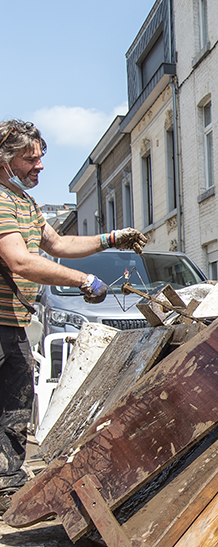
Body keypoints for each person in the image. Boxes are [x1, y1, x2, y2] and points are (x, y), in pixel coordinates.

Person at [0, 120, 147, 514]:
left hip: (11, 322)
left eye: (40, 158)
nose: (40, 166)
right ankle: (4, 481)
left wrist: (111, 239)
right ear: (5, 159)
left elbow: (58, 243)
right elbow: (18, 260)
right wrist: (82, 279)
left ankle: (5, 482)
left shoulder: (22, 201)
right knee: (9, 397)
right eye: (30, 159)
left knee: (16, 396)